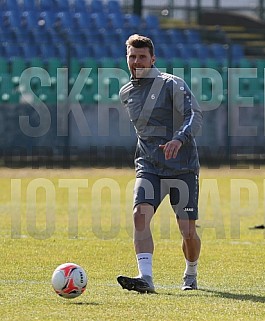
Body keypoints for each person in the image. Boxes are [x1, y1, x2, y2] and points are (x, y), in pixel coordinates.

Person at [117, 34, 203, 293]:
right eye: (132, 56)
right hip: (149, 166)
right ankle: (146, 278)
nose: (136, 61)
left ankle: (191, 272)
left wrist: (178, 139)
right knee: (139, 215)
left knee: (187, 231)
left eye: (142, 56)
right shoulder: (126, 93)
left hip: (183, 168)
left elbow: (194, 115)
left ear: (152, 59)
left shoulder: (171, 85)